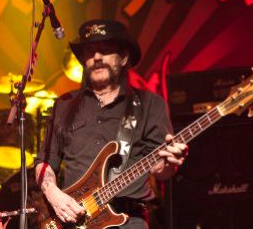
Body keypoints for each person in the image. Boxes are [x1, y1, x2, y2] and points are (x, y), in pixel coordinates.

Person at [34, 19, 188, 228]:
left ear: (124, 57)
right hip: (72, 219)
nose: (97, 57)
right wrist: (52, 193)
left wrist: (169, 163)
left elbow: (161, 170)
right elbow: (45, 161)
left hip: (127, 220)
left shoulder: (149, 104)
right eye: (90, 52)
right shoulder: (64, 104)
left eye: (105, 50)